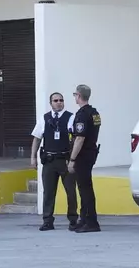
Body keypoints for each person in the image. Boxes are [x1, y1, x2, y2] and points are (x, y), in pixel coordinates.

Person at [29, 92, 79, 231]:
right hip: (49, 160)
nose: (58, 102)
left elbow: (76, 138)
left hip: (65, 160)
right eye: (55, 100)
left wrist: (73, 160)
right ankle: (47, 221)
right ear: (51, 103)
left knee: (71, 192)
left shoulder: (71, 117)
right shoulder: (44, 118)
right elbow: (37, 138)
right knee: (48, 193)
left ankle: (73, 220)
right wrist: (33, 157)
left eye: (61, 100)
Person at [68, 84, 102, 233]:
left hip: (83, 155)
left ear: (79, 96)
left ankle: (91, 221)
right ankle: (84, 219)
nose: (75, 97)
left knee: (85, 189)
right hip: (91, 153)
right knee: (85, 188)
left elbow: (79, 138)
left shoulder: (82, 114)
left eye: (75, 94)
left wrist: (72, 159)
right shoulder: (94, 113)